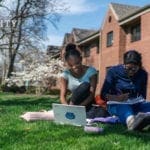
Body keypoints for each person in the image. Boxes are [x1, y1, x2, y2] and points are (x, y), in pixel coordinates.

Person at [100, 50, 150, 131]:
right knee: (124, 107)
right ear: (124, 64)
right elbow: (103, 94)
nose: (131, 71)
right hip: (117, 104)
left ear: (139, 66)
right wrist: (116, 98)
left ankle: (140, 119)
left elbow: (143, 96)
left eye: (134, 69)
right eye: (128, 68)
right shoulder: (113, 72)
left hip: (136, 104)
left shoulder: (143, 74)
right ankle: (132, 123)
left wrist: (137, 100)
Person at [60, 43, 109, 118]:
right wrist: (68, 107)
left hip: (87, 102)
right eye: (71, 65)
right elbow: (62, 96)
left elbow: (92, 95)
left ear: (81, 59)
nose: (74, 67)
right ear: (67, 63)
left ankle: (76, 113)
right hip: (72, 103)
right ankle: (72, 110)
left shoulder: (91, 72)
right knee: (85, 85)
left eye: (77, 63)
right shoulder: (65, 75)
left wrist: (78, 108)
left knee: (103, 113)